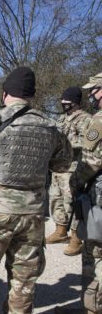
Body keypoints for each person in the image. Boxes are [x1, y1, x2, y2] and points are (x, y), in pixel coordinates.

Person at [0, 66, 72, 314]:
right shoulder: (50, 125)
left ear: (4, 93)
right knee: (23, 283)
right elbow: (63, 163)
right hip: (32, 215)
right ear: (31, 94)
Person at [56, 73, 102, 314]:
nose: (92, 95)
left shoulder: (97, 120)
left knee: (94, 256)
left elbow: (92, 160)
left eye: (95, 90)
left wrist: (74, 182)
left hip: (97, 194)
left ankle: (91, 310)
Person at [46, 87, 91, 256]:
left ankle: (76, 237)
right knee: (55, 199)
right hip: (58, 167)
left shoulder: (85, 119)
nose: (63, 103)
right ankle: (60, 230)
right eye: (62, 101)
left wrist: (65, 143)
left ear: (75, 102)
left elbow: (87, 142)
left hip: (73, 167)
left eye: (66, 101)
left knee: (71, 202)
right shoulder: (62, 119)